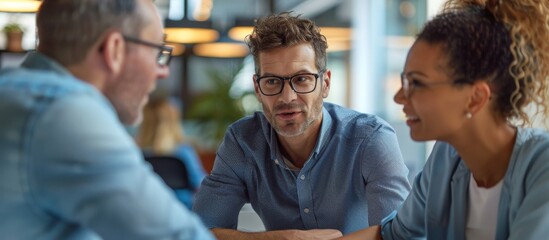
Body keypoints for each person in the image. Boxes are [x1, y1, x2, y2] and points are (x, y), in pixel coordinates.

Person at [0, 0, 214, 239]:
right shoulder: (64, 113)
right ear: (114, 49)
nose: (163, 71)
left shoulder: (15, 93)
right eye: (157, 52)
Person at [339, 0, 549, 239]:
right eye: (404, 81)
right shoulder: (446, 157)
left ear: (475, 98)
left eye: (416, 83)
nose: (399, 97)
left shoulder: (542, 166)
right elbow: (393, 234)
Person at [192, 12, 411, 240]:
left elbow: (400, 234)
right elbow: (199, 233)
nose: (287, 97)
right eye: (272, 81)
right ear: (258, 89)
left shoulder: (370, 139)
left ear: (325, 84)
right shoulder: (242, 142)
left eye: (302, 79)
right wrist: (283, 238)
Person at [136, 97, 208, 209]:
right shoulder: (184, 151)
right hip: (182, 211)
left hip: (146, 209)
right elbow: (201, 185)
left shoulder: (136, 153)